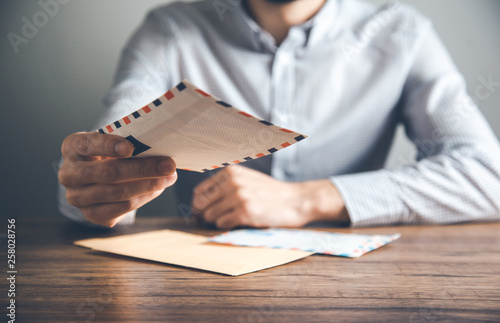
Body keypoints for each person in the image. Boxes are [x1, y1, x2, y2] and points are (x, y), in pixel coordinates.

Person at [58, 0, 500, 229]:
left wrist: (309, 199)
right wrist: (93, 191)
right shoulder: (170, 31)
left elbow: (488, 176)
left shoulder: (403, 34)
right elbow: (102, 164)